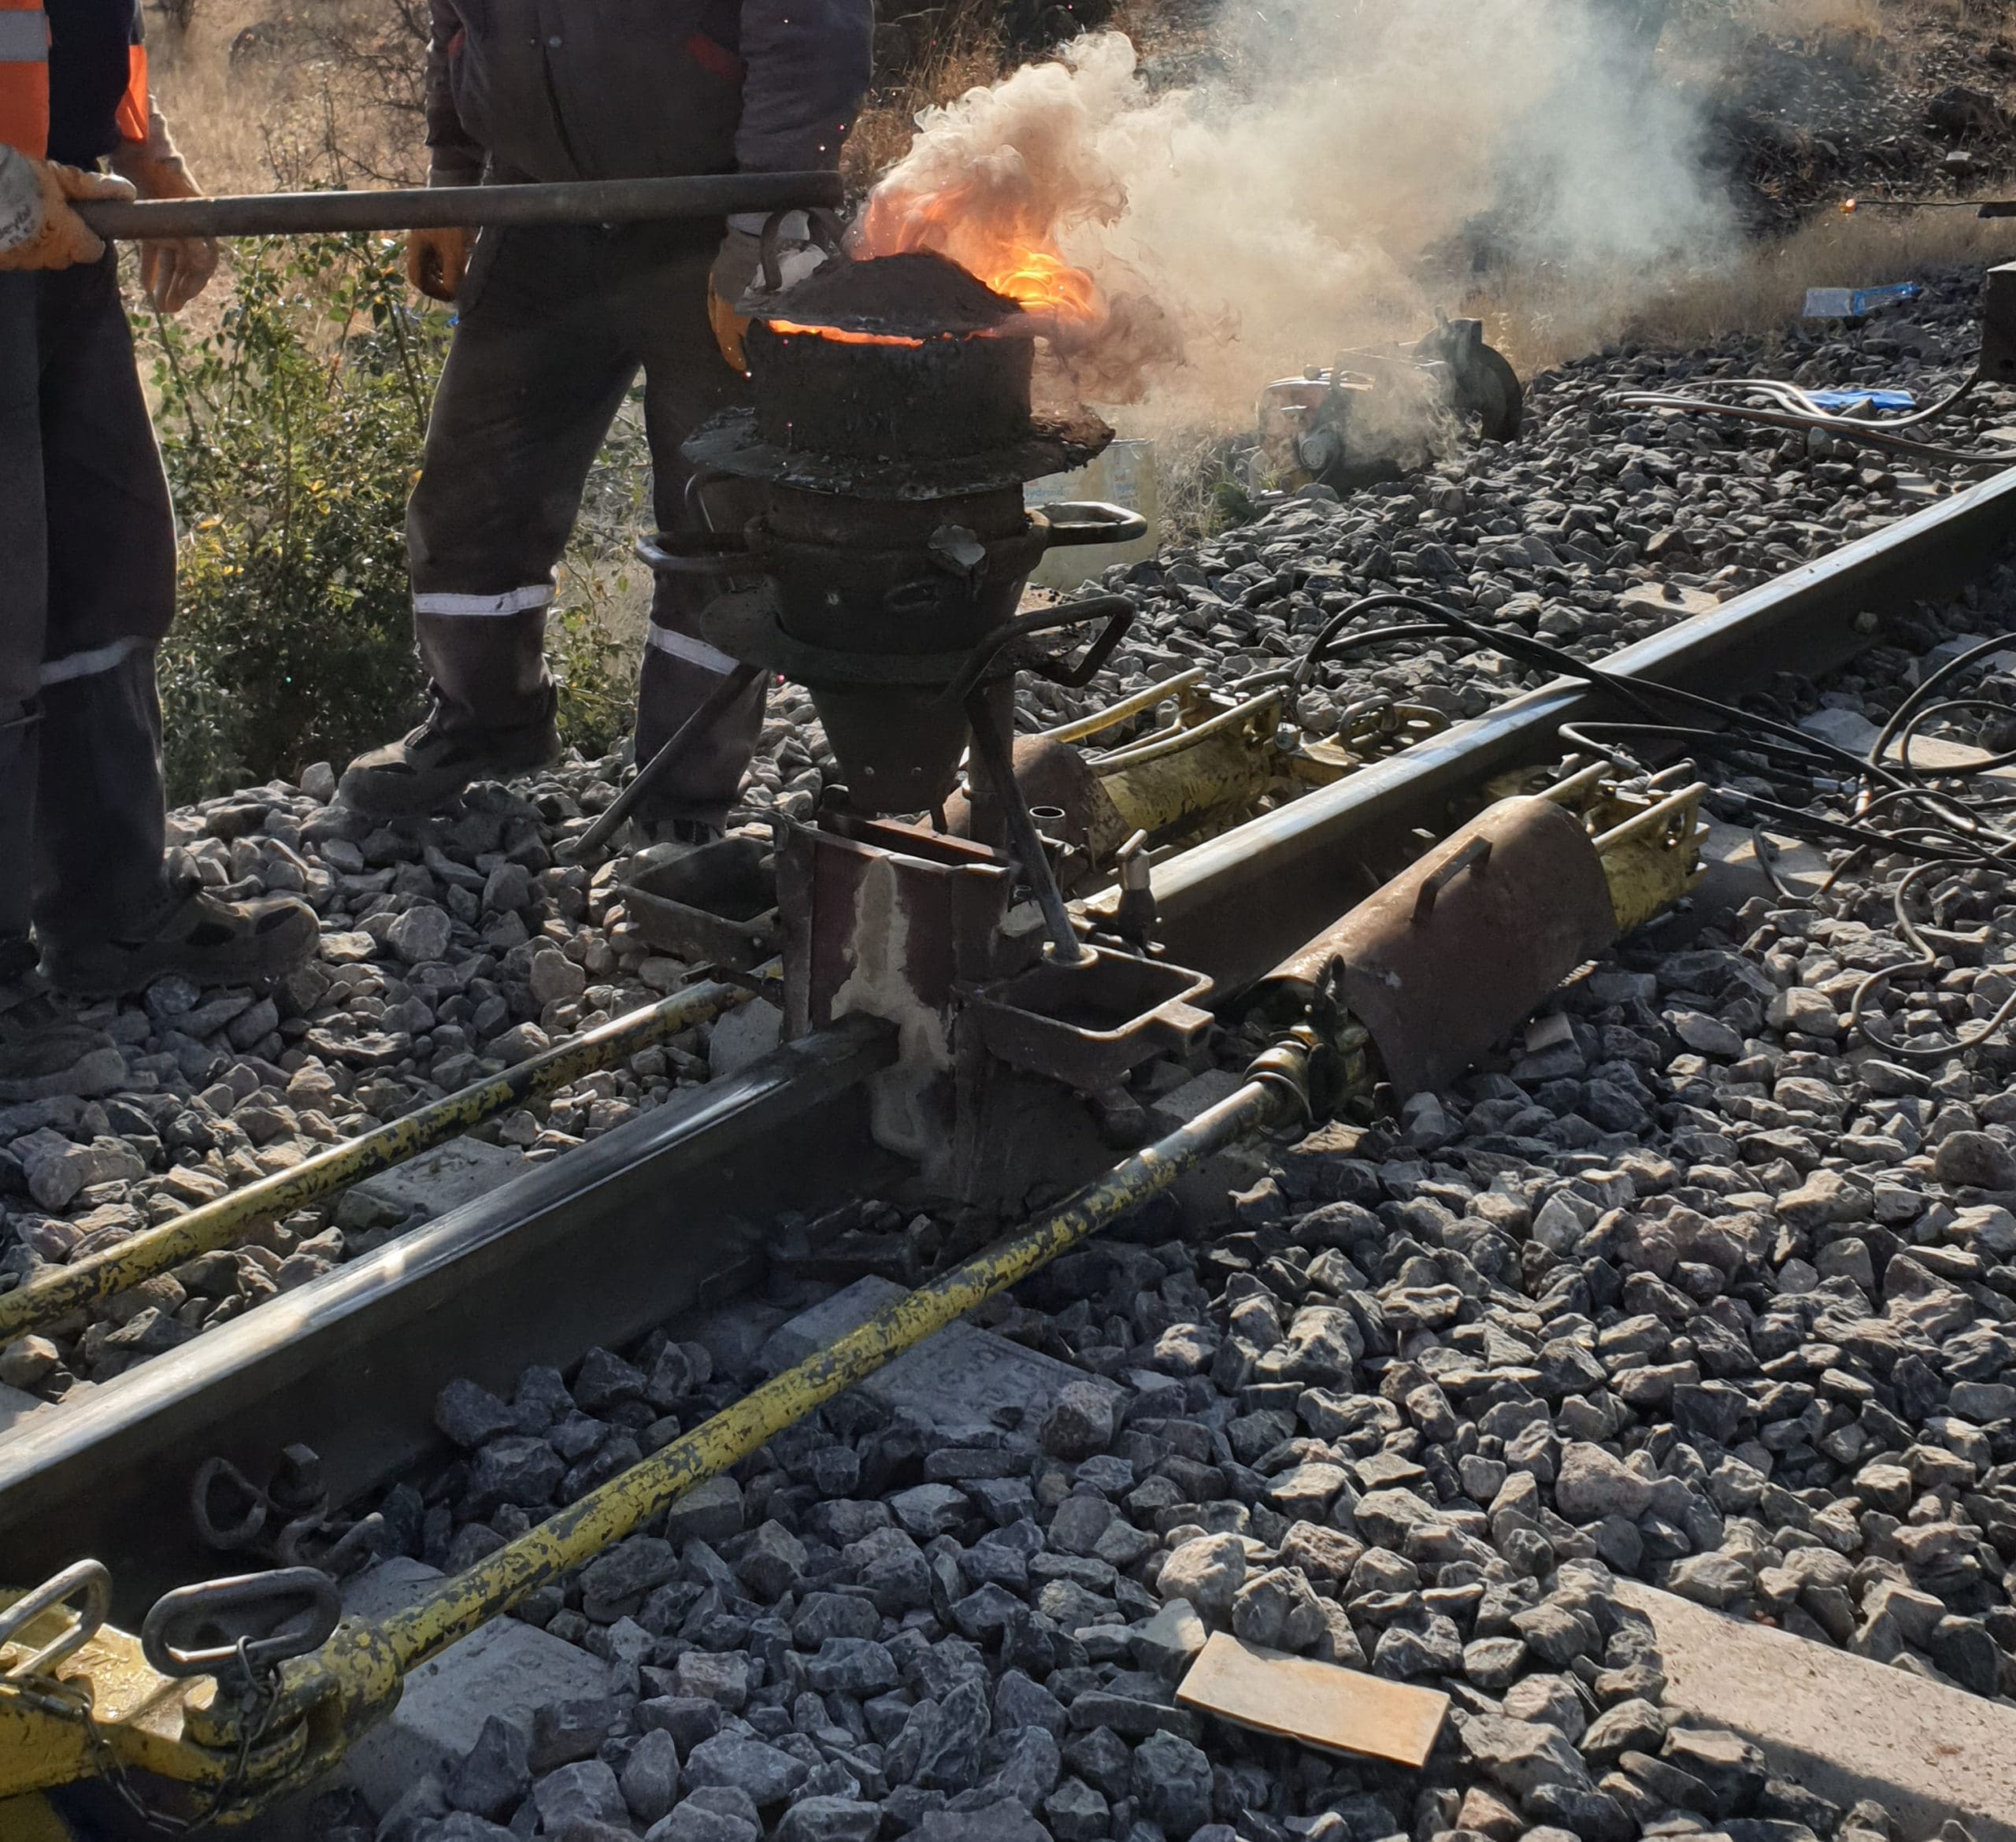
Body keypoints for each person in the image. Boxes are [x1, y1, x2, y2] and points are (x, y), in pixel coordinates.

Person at [335, 0, 876, 847]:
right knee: (472, 487)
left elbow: (808, 24)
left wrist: (767, 219)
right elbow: (457, 24)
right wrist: (451, 177)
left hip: (712, 208)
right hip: (537, 209)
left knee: (719, 518)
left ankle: (683, 791)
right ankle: (485, 723)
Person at [0, 0, 319, 1095]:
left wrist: (147, 149)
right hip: (13, 210)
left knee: (104, 571)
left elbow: (79, 31)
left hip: (58, 225)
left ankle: (108, 908)